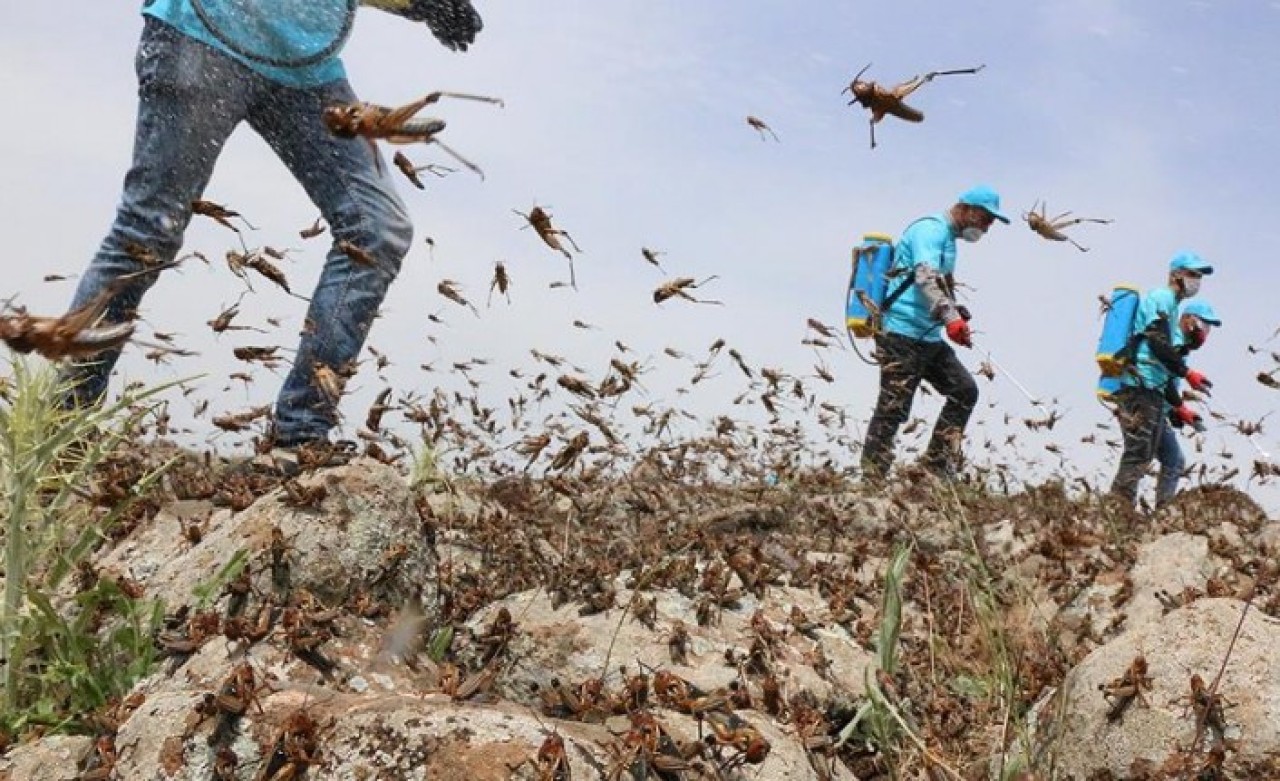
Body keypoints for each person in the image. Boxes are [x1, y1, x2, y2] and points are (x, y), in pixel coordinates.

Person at [58, 0, 483, 468]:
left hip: (304, 68)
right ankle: (59, 432)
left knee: (377, 229)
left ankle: (299, 435)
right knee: (148, 232)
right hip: (200, 34)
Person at [860, 184, 1009, 482]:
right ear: (966, 208)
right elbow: (925, 277)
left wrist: (955, 312)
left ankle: (934, 469)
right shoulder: (931, 231)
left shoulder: (950, 241)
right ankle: (872, 478)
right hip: (900, 332)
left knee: (964, 391)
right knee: (894, 406)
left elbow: (940, 287)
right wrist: (949, 317)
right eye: (986, 218)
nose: (988, 227)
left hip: (927, 336)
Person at [1109, 251, 1215, 505]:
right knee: (1138, 453)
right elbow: (1156, 340)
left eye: (1198, 276)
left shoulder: (1171, 304)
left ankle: (1132, 507)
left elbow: (1165, 369)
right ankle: (1117, 508)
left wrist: (1179, 408)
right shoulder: (1161, 297)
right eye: (1192, 274)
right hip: (1139, 384)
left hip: (1151, 389)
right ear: (1176, 273)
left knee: (1151, 455)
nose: (1196, 280)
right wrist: (1187, 373)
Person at [1153, 299, 1222, 508]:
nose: (1204, 333)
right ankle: (1122, 507)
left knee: (1174, 460)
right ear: (1187, 319)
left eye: (1208, 329)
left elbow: (1167, 385)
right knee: (1140, 456)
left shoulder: (1181, 348)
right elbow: (1158, 376)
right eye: (1203, 325)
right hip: (1147, 404)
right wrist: (1180, 405)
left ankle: (1162, 511)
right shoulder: (1172, 341)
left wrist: (1177, 411)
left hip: (1159, 408)